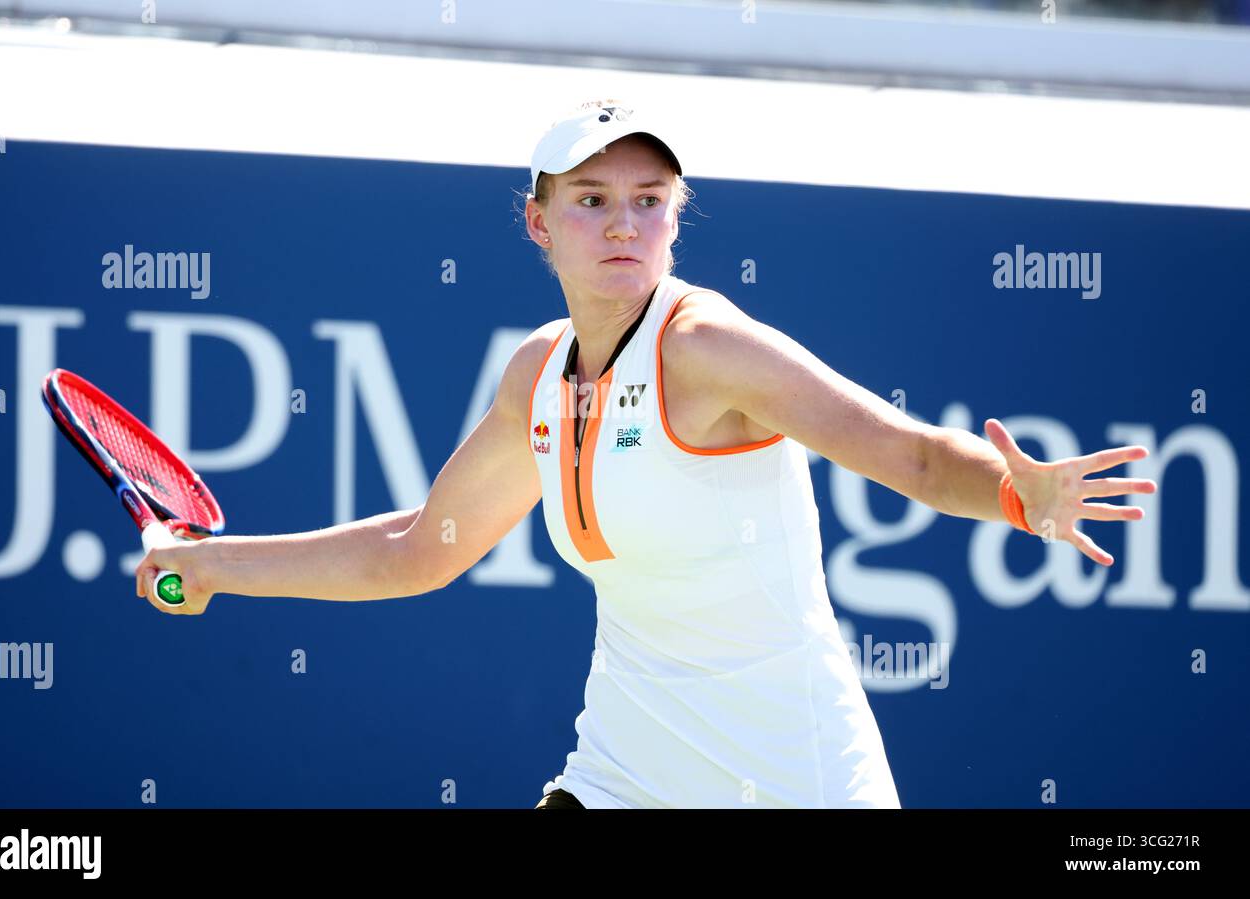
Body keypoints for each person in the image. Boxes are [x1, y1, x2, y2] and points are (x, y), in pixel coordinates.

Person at [135, 99, 1158, 809]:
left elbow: (913, 456)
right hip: (622, 775)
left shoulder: (713, 350)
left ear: (677, 215)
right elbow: (418, 546)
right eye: (590, 199)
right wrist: (218, 564)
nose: (623, 221)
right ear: (537, 222)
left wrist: (1018, 492)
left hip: (792, 783)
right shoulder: (536, 373)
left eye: (649, 198)